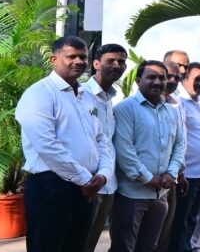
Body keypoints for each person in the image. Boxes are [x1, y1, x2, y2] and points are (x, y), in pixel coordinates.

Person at [15, 36, 112, 252]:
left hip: (85, 189)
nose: (79, 61)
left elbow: (101, 138)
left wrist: (104, 173)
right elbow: (47, 145)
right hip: (51, 188)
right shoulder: (39, 94)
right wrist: (86, 179)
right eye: (71, 56)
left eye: (83, 57)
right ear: (54, 59)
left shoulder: (87, 96)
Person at [111, 61, 186, 252]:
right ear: (138, 81)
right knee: (124, 247)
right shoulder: (125, 109)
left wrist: (172, 173)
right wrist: (147, 178)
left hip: (160, 194)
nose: (158, 82)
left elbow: (180, 144)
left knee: (149, 247)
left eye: (162, 78)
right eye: (151, 77)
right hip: (132, 194)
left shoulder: (171, 111)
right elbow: (124, 150)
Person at [81, 43, 127, 252]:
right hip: (88, 182)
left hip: (108, 183)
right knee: (79, 240)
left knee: (91, 241)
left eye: (121, 62)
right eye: (111, 61)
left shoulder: (110, 99)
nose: (116, 65)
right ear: (96, 64)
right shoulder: (82, 94)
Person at [169, 62, 200, 252]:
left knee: (192, 219)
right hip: (189, 173)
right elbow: (177, 138)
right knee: (181, 220)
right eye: (197, 79)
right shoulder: (178, 102)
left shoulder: (198, 102)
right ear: (185, 79)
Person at [156, 61, 186, 252]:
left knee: (165, 233)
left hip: (171, 178)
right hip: (146, 181)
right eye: (169, 76)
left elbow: (179, 143)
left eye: (177, 78)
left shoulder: (175, 105)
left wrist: (178, 173)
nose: (172, 81)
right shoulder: (132, 105)